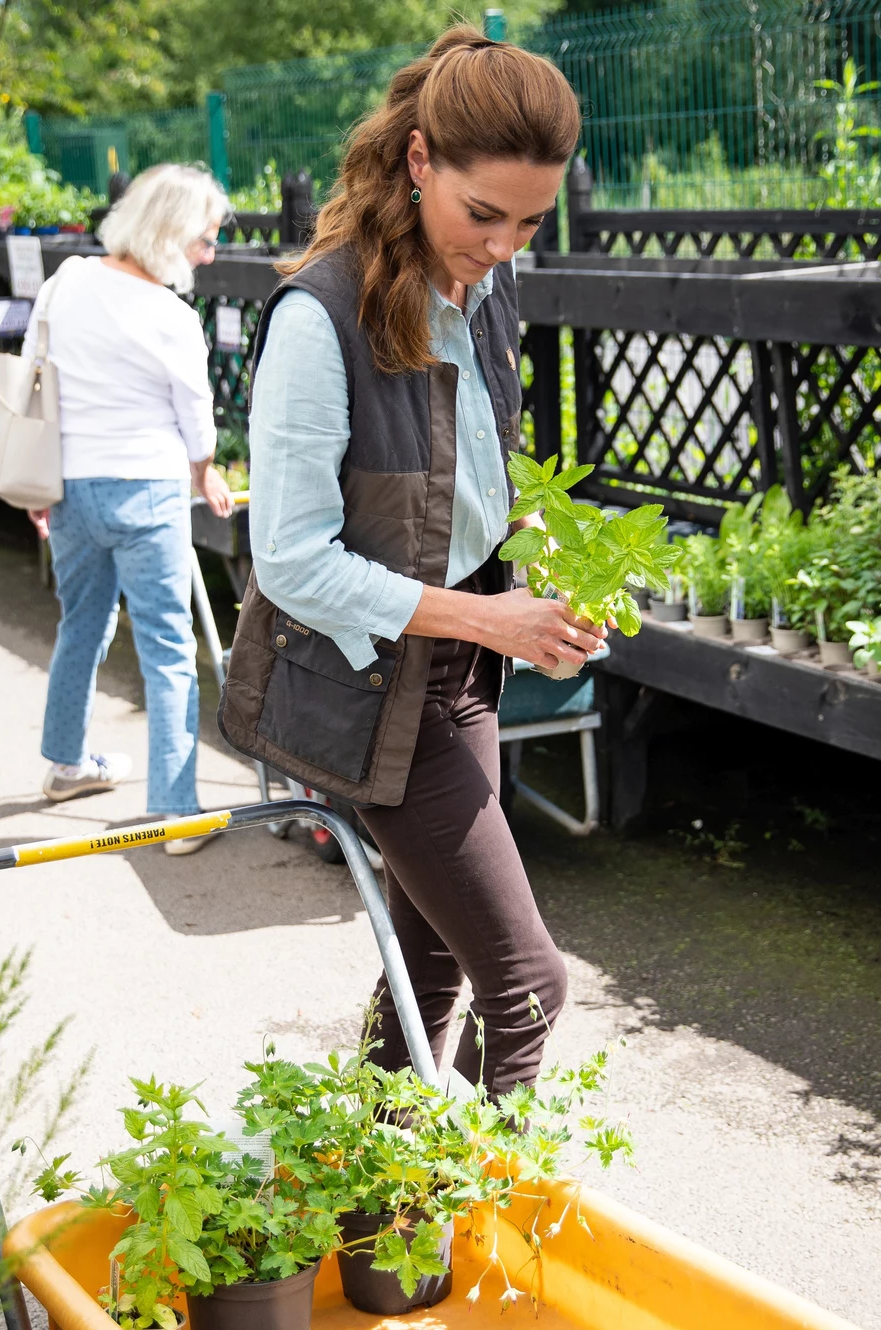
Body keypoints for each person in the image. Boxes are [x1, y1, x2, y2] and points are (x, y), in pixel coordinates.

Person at [221, 26, 603, 1090]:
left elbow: (470, 493)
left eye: (530, 221)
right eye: (484, 215)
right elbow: (290, 564)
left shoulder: (483, 290)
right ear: (419, 158)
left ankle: (378, 1243)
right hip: (376, 691)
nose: (504, 245)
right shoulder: (319, 318)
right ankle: (479, 1237)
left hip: (461, 680)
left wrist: (536, 588)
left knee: (428, 965)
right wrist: (490, 620)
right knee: (527, 984)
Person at [26, 164, 234, 856]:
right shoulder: (172, 318)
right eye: (204, 239)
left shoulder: (66, 281)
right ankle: (176, 813)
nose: (209, 254)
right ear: (170, 235)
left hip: (69, 489)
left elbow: (32, 379)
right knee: (169, 649)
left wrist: (37, 484)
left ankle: (66, 765)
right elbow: (196, 422)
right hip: (148, 487)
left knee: (80, 624)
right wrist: (205, 474)